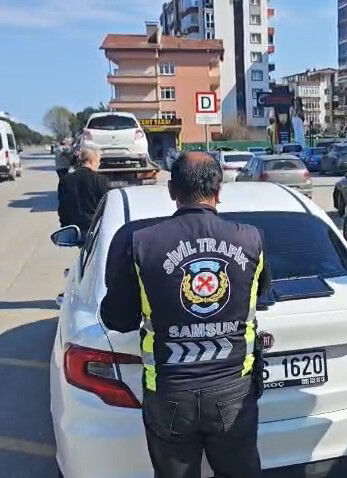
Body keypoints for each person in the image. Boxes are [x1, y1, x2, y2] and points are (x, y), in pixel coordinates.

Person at [100, 151, 268, 478]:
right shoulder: (251, 240)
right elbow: (260, 295)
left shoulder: (141, 244)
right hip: (234, 393)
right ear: (219, 190)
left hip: (169, 393)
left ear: (172, 191)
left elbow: (116, 319)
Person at [57, 147, 110, 234]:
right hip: (94, 229)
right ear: (91, 161)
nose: (99, 164)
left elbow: (62, 207)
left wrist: (65, 226)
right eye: (98, 161)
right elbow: (107, 207)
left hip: (72, 229)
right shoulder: (101, 180)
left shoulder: (65, 180)